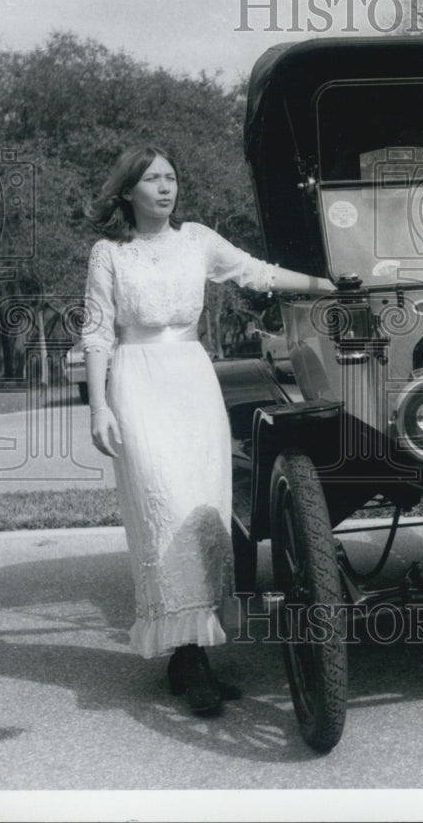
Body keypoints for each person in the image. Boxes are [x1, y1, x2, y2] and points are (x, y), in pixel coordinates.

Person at [82, 144, 334, 715]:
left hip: (194, 383)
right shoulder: (109, 253)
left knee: (203, 514)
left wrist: (326, 285)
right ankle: (188, 657)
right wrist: (99, 407)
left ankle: (189, 654)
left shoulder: (197, 239)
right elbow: (97, 333)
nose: (165, 188)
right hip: (138, 384)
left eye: (171, 176)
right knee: (162, 509)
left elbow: (258, 272)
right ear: (127, 191)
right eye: (151, 179)